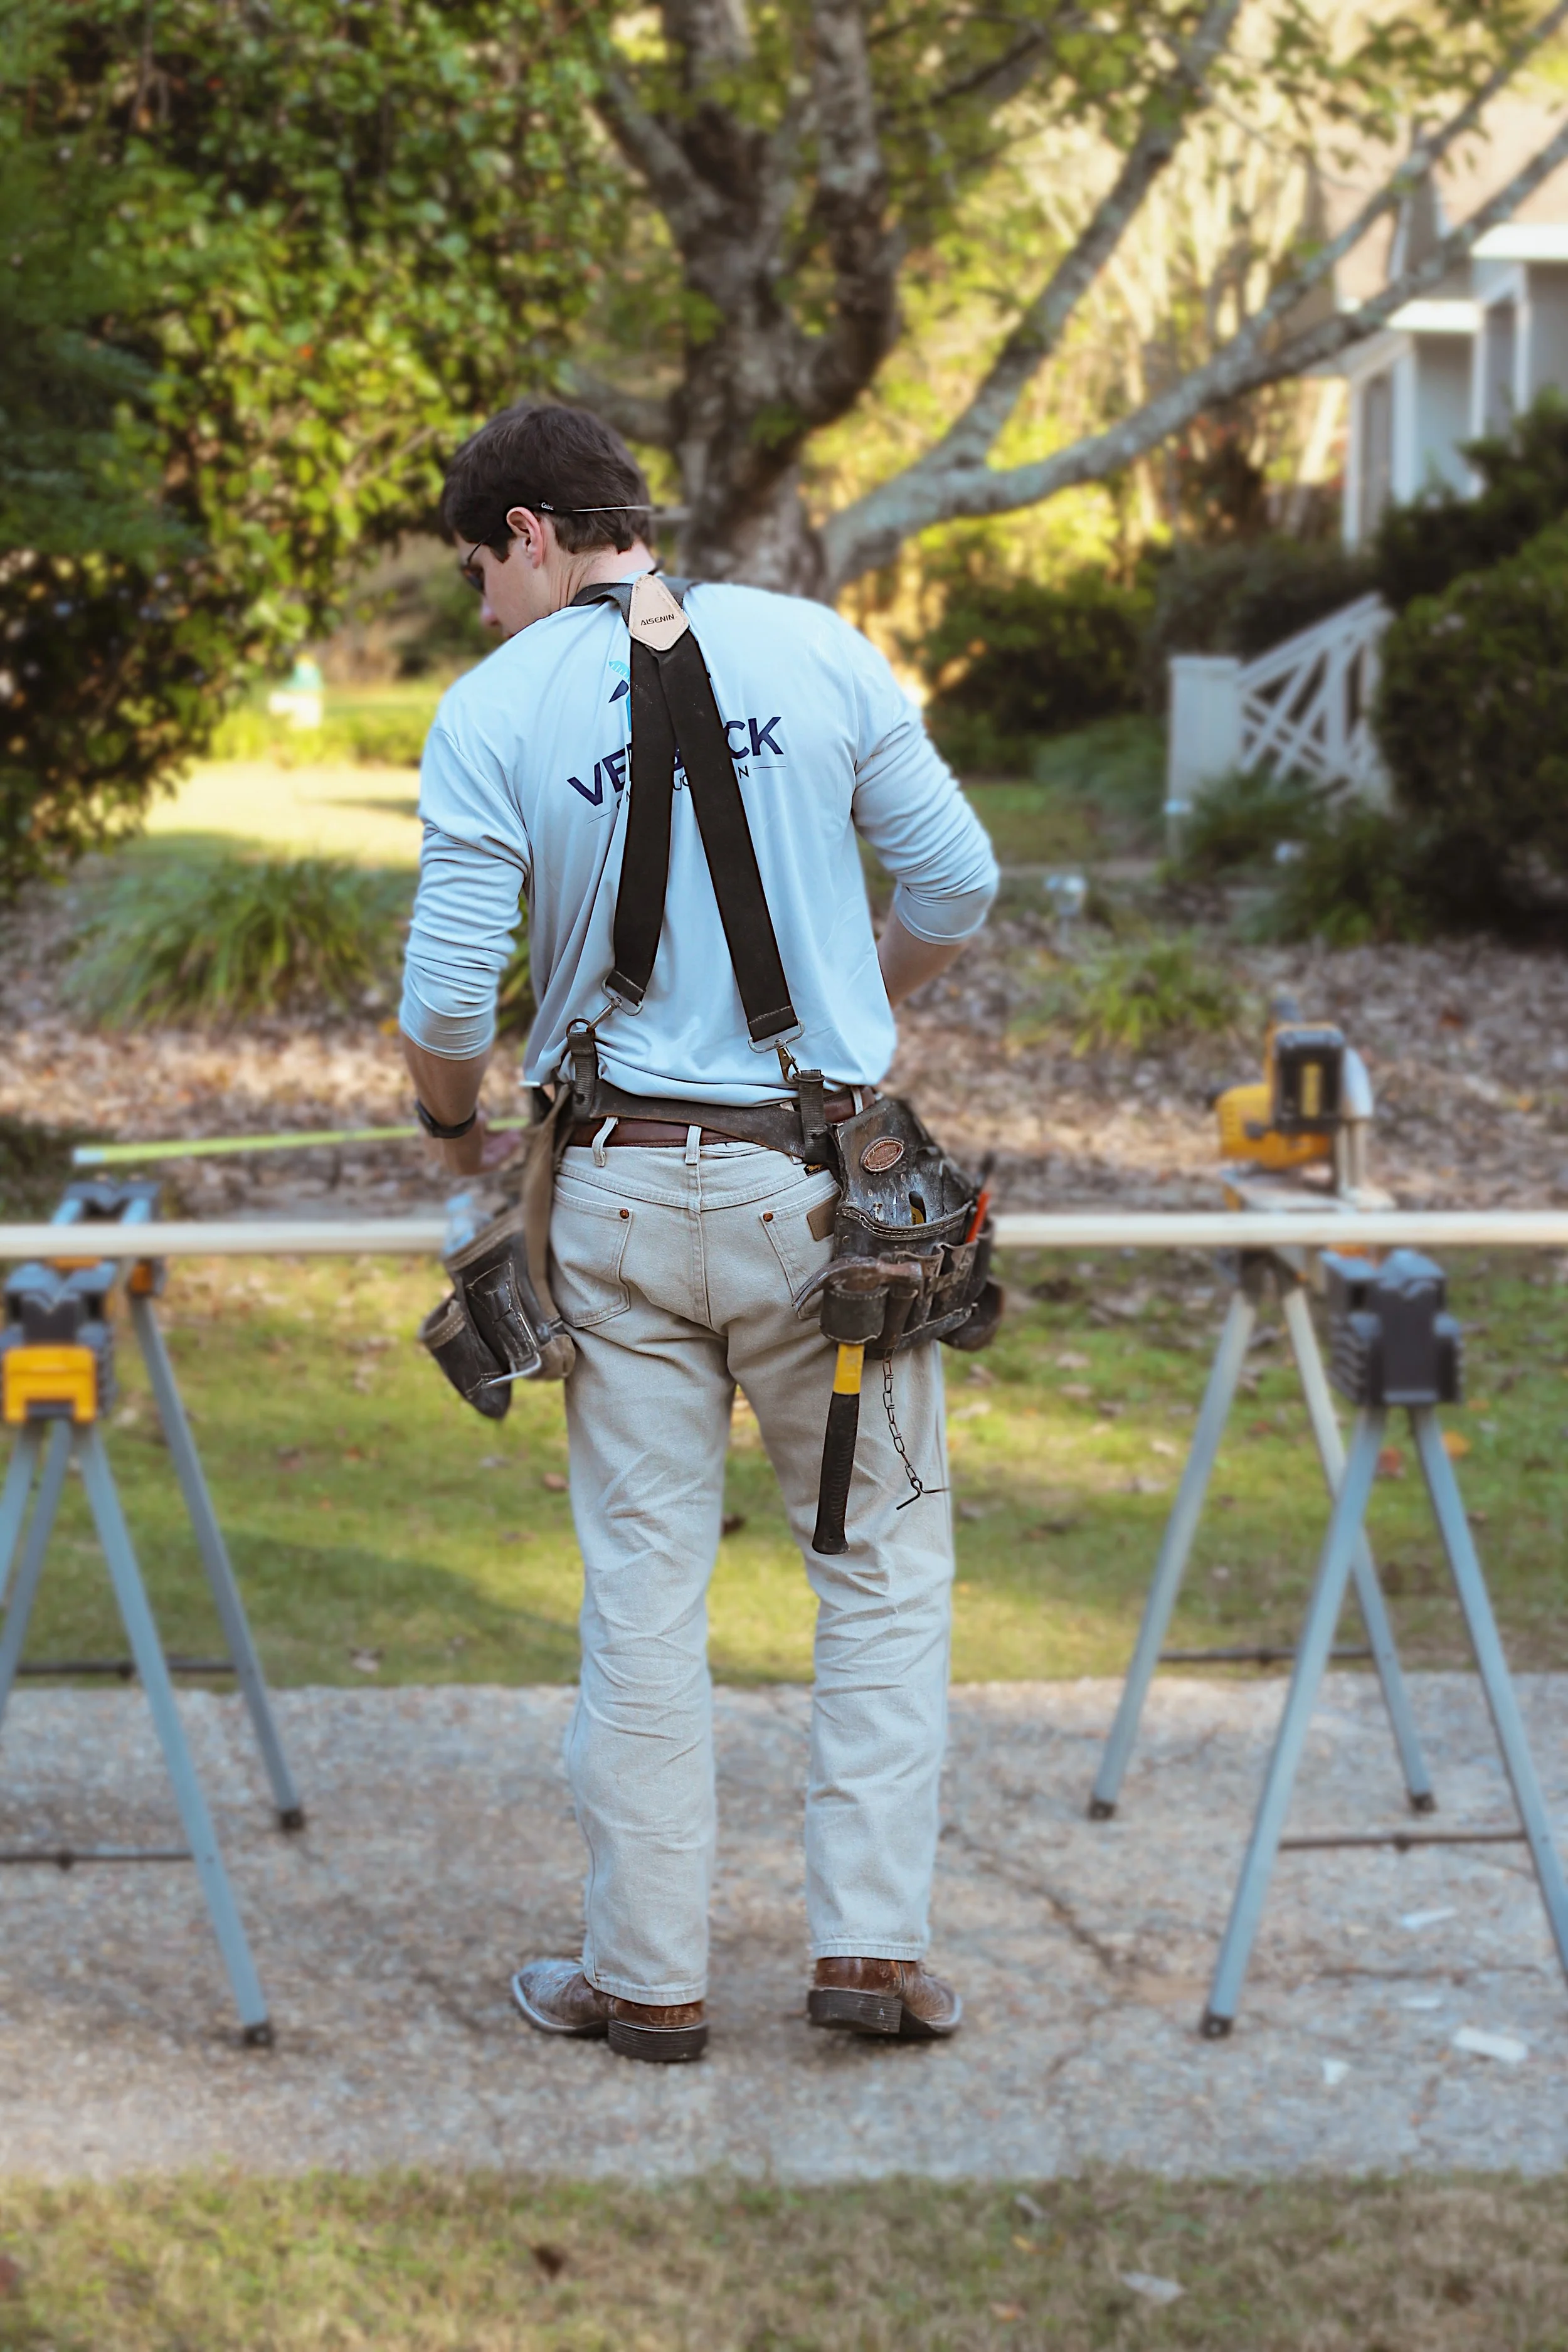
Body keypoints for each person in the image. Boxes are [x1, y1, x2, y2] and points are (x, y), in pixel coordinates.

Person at [400, 401, 998, 2063]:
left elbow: (449, 993)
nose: (478, 607)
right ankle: (869, 1954)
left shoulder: (492, 704)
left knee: (645, 1584)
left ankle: (646, 1977)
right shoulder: (819, 647)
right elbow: (956, 885)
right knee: (874, 1562)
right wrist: (848, 1014)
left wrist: (456, 1133)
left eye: (474, 569)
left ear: (527, 530)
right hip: (829, 1200)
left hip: (613, 1191)